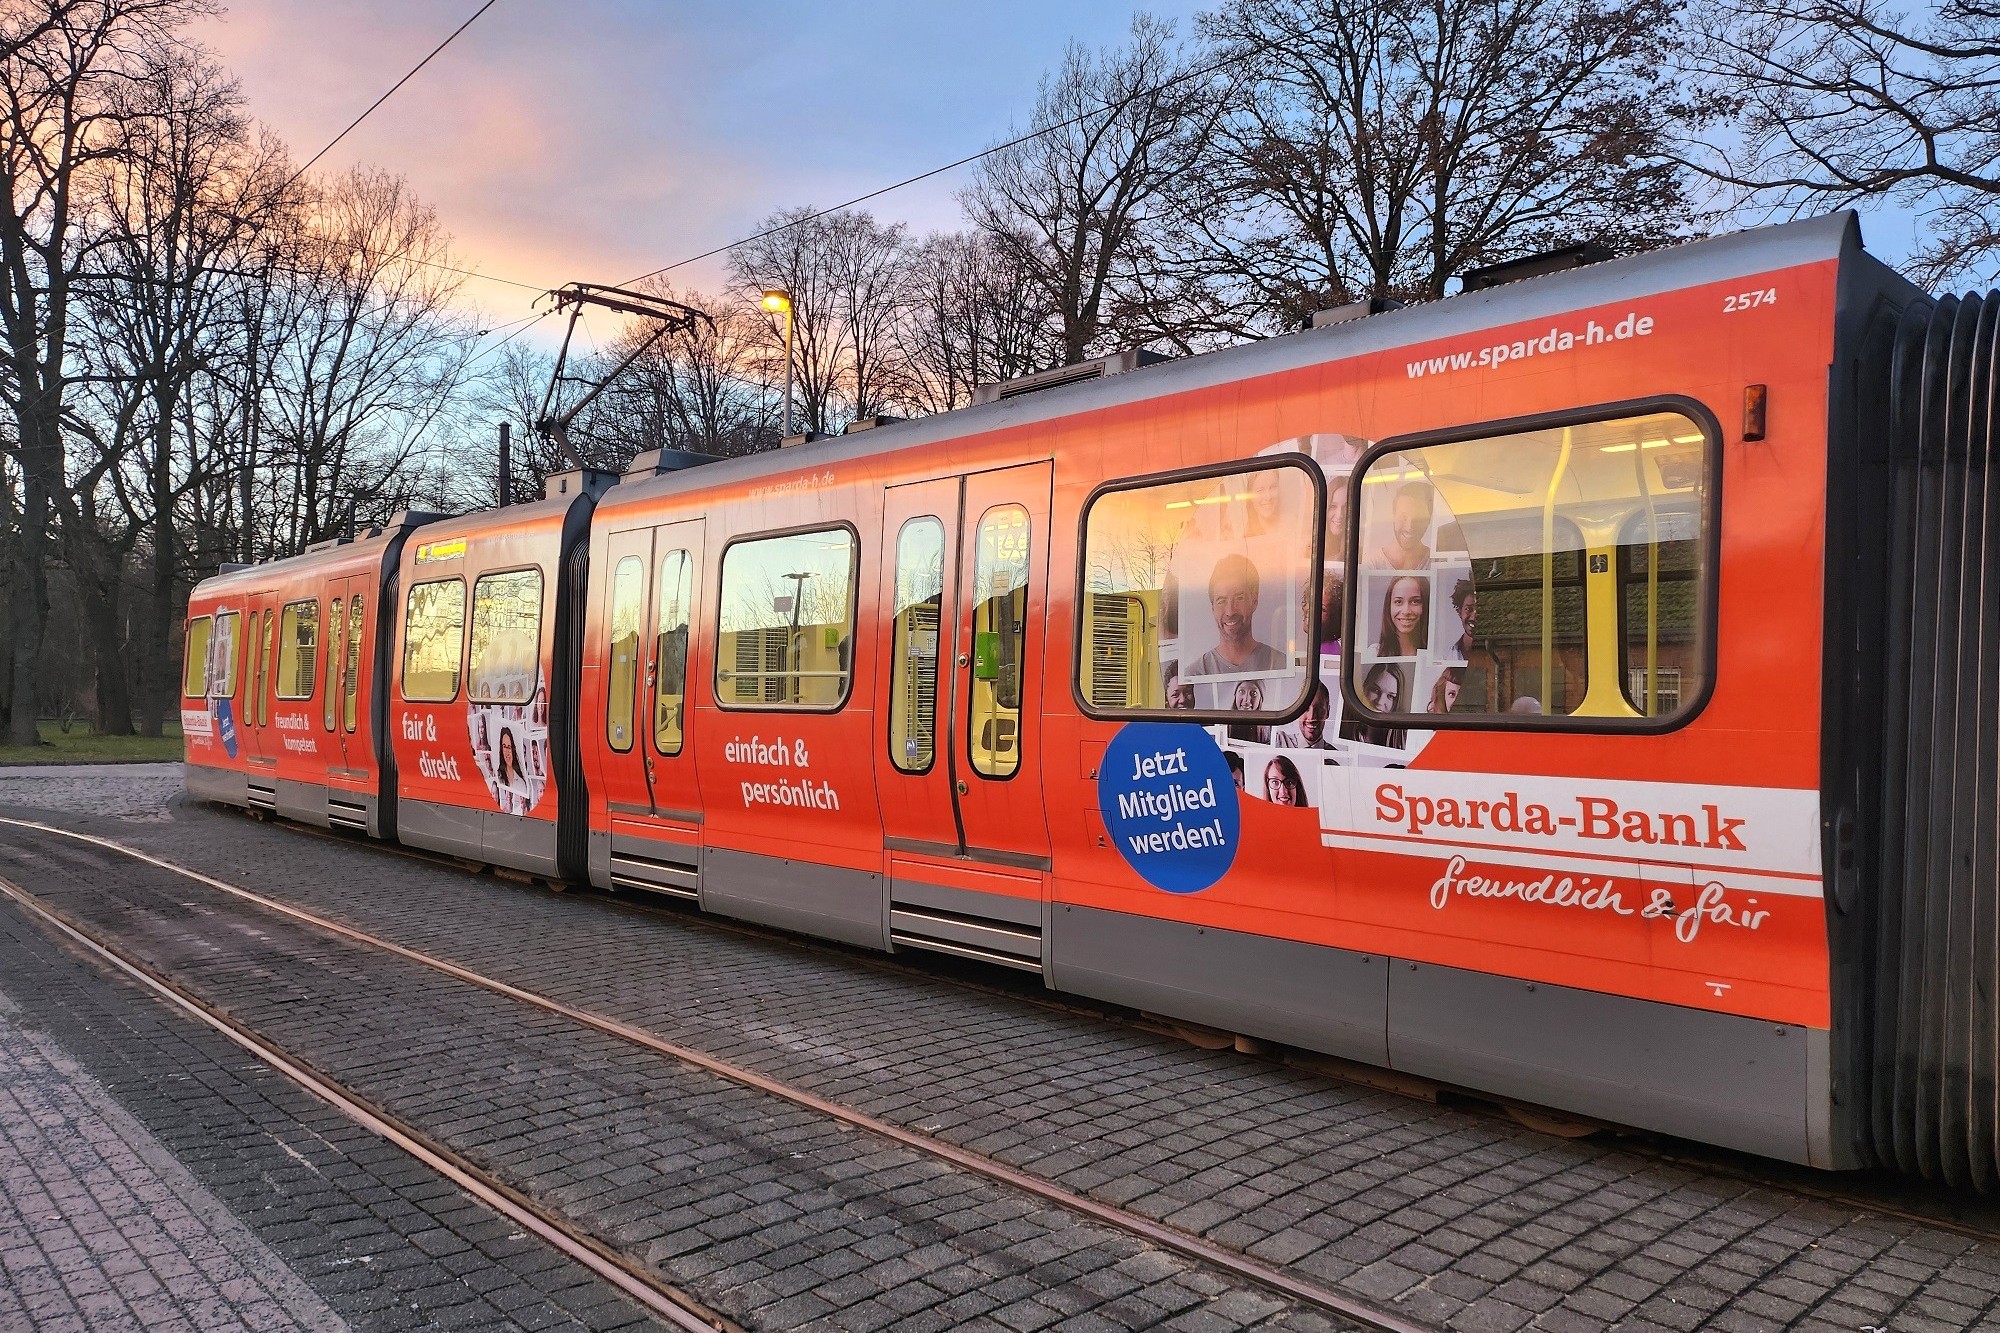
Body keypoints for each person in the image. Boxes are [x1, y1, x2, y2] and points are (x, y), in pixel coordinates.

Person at [1188, 553, 1286, 676]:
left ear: (1254, 601)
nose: (1230, 611)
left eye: (1239, 598)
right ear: (1213, 608)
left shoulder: (1280, 664)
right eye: (1221, 600)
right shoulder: (1195, 673)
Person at [1341, 661, 1408, 748]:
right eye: (1375, 690)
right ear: (1365, 687)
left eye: (1390, 696)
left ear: (1397, 702)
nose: (1380, 702)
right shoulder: (1343, 722)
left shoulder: (1402, 739)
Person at [1376, 481, 1435, 569]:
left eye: (1418, 518)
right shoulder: (1371, 564)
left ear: (1429, 520)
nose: (1409, 527)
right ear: (1393, 516)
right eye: (1403, 517)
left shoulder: (1436, 563)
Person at [1369, 575, 1428, 657]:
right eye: (1398, 602)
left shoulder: (1438, 656)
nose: (1406, 611)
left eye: (1415, 601)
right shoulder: (1373, 653)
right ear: (1389, 606)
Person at [1273, 681, 1333, 748]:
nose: (1311, 717)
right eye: (1305, 708)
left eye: (1319, 709)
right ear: (1297, 710)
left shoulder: (1337, 756)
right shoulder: (1277, 741)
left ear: (1327, 711)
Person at [1227, 678, 1270, 743]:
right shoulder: (1222, 727)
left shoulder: (1269, 732)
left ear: (1260, 699)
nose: (1246, 700)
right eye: (1241, 691)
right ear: (1235, 695)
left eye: (1254, 693)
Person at [496, 725, 530, 799]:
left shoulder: (521, 783)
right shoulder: (497, 776)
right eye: (504, 747)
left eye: (509, 747)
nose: (507, 752)